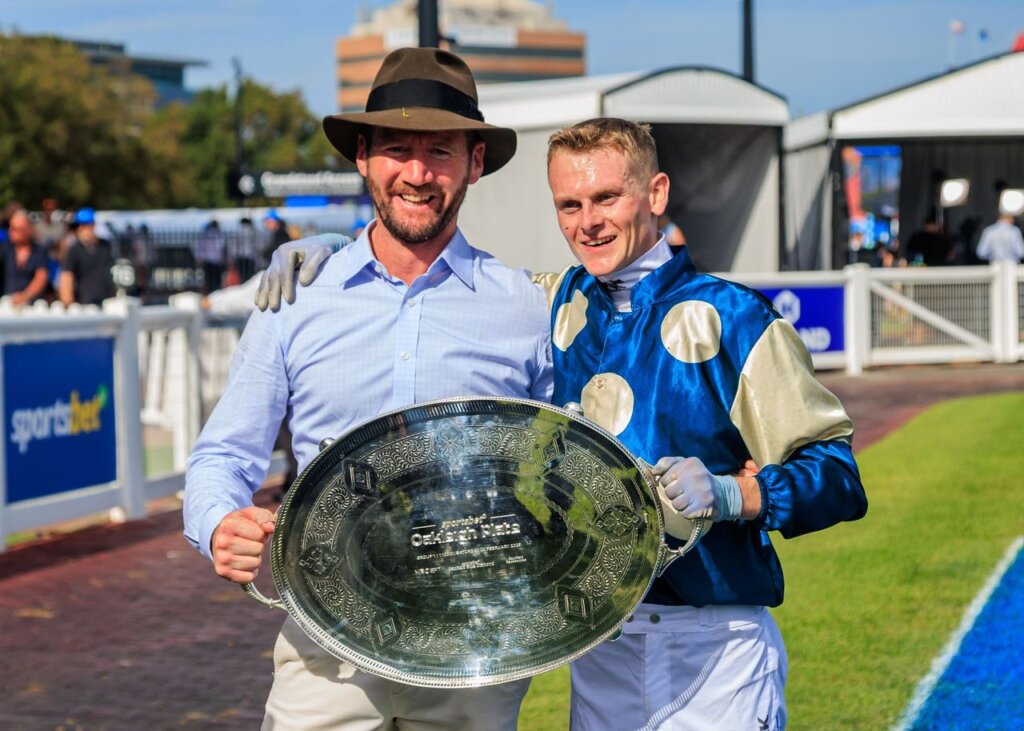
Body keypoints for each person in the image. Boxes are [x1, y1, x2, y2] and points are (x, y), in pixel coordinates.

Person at [265, 117, 868, 729]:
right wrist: (346, 250)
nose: (588, 222)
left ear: (655, 194)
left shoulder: (736, 318)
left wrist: (734, 493)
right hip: (597, 651)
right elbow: (439, 276)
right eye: (569, 204)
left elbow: (838, 474)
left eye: (607, 197)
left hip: (715, 649)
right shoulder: (553, 301)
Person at [183, 47, 552, 730]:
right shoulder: (295, 298)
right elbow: (221, 458)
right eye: (396, 148)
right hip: (325, 651)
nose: (417, 173)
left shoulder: (526, 307)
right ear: (362, 155)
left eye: (440, 151)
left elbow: (571, 466)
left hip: (476, 651)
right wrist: (218, 523)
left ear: (475, 162)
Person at [59, 208, 115, 306]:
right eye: (79, 226)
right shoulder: (74, 250)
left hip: (108, 301)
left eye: (86, 226)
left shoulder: (106, 246)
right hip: (85, 303)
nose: (82, 229)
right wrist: (68, 303)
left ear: (93, 226)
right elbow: (67, 276)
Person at [1, 209, 50, 306]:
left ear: (27, 230)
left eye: (16, 229)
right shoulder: (4, 249)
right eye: (11, 228)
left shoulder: (39, 251)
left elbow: (41, 277)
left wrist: (25, 296)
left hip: (33, 305)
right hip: (6, 303)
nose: (11, 232)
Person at [193, 219, 227, 295]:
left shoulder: (205, 234)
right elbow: (221, 247)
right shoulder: (218, 234)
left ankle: (211, 295)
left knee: (209, 280)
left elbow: (198, 247)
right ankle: (215, 295)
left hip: (208, 261)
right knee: (216, 281)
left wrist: (200, 257)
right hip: (215, 261)